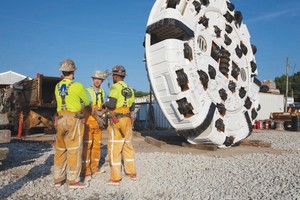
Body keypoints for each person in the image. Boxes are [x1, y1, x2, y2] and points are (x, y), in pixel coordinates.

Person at [53, 59, 90, 189]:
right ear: (73, 71)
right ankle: (73, 180)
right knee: (74, 149)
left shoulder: (57, 86)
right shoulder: (77, 85)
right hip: (74, 120)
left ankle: (58, 179)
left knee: (60, 149)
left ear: (62, 72)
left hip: (61, 119)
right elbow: (87, 101)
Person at [104, 65, 136, 186]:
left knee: (114, 147)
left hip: (116, 119)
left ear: (115, 76)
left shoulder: (115, 87)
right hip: (127, 119)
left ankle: (115, 178)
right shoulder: (130, 88)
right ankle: (131, 172)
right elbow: (132, 107)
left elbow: (111, 104)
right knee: (127, 145)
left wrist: (104, 104)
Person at [81, 70, 108, 181]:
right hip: (89, 122)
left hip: (98, 123)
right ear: (93, 79)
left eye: (99, 79)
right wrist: (97, 117)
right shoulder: (87, 91)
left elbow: (104, 105)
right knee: (87, 146)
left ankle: (94, 168)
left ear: (102, 81)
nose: (97, 81)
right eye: (95, 79)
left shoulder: (102, 92)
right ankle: (85, 171)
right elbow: (87, 106)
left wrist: (103, 115)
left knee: (96, 146)